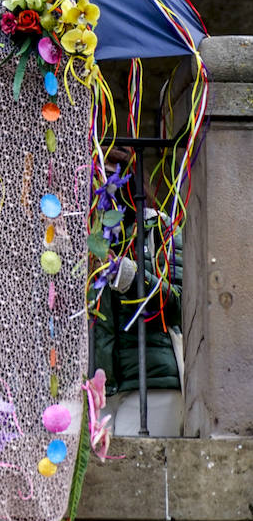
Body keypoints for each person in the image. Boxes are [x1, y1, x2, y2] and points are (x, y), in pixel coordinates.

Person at [92, 153, 184, 436]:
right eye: (98, 178)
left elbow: (181, 304)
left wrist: (129, 276)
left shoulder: (158, 226)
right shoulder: (80, 234)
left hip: (152, 381)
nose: (107, 187)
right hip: (94, 389)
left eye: (113, 177)